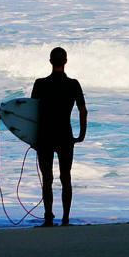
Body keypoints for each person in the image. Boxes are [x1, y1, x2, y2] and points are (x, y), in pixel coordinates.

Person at [31, 47, 87, 227]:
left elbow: (32, 112)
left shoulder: (40, 84)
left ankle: (48, 218)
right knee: (66, 177)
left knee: (47, 178)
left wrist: (32, 138)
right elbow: (83, 111)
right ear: (66, 61)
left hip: (45, 136)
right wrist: (81, 135)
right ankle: (65, 219)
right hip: (65, 135)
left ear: (50, 61)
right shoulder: (73, 84)